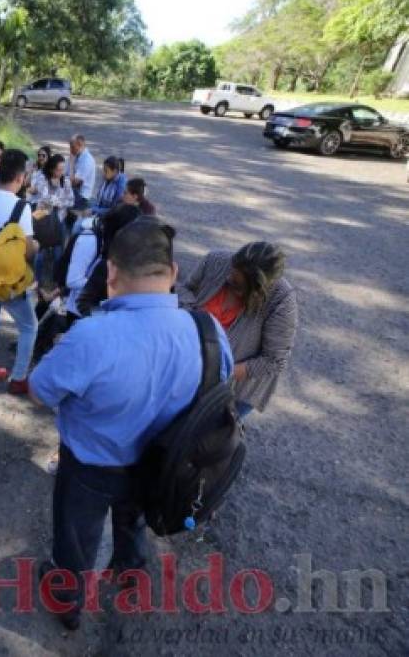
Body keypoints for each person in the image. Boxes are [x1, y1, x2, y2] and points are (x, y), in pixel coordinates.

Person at [29, 217, 234, 630]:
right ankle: (131, 572)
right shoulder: (207, 331)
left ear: (111, 273)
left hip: (91, 466)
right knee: (133, 518)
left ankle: (68, 599)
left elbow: (39, 391)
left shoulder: (91, 336)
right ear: (173, 272)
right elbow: (222, 387)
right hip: (163, 463)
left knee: (76, 534)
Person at [177, 242, 297, 417]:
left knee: (202, 437)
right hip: (187, 369)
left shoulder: (281, 298)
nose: (231, 287)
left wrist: (216, 372)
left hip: (232, 390)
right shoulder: (215, 261)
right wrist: (193, 313)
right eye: (231, 279)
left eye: (240, 287)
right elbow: (185, 289)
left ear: (261, 289)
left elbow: (273, 361)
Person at [0, 149, 38, 393]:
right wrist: (37, 245)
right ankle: (19, 378)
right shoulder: (22, 208)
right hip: (10, 280)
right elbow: (27, 252)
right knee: (29, 326)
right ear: (20, 178)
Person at [32, 153, 74, 286]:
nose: (61, 172)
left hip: (59, 220)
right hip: (43, 220)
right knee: (39, 252)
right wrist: (59, 201)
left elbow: (71, 200)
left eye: (63, 169)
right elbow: (44, 198)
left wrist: (57, 202)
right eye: (58, 170)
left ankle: (56, 282)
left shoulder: (65, 181)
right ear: (51, 169)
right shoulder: (42, 179)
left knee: (58, 253)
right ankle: (36, 281)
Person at [66, 134, 96, 212]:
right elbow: (63, 173)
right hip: (72, 193)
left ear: (80, 145)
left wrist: (71, 163)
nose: (70, 150)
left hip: (81, 198)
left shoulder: (87, 160)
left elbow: (74, 182)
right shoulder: (76, 156)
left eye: (72, 147)